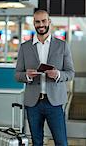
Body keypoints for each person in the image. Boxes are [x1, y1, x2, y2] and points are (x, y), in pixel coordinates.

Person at [15, 10, 75, 146]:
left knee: (61, 142)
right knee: (36, 142)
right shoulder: (25, 47)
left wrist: (58, 74)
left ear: (49, 22)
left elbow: (71, 73)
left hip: (54, 102)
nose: (41, 24)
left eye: (43, 21)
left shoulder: (62, 46)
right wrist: (26, 76)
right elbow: (17, 74)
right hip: (33, 104)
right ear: (34, 23)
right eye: (37, 21)